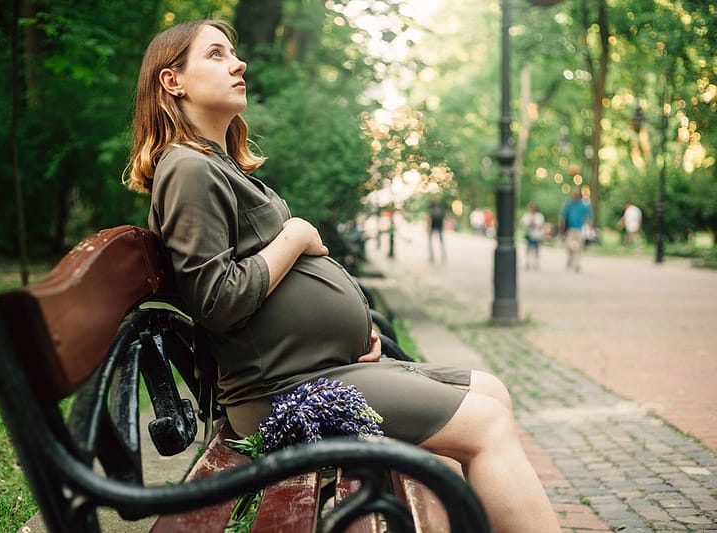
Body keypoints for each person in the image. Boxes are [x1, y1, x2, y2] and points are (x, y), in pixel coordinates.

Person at [125, 20, 560, 533]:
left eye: (234, 53)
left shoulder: (216, 164)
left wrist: (347, 330)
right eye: (216, 55)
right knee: (486, 423)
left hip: (317, 372)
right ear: (172, 82)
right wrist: (295, 236)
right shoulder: (189, 167)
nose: (238, 64)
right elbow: (216, 300)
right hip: (284, 395)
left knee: (491, 392)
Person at [558, 187, 593, 272]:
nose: (575, 195)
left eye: (576, 194)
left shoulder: (583, 205)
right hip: (570, 229)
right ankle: (569, 261)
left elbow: (589, 216)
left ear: (579, 195)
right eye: (574, 194)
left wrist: (590, 227)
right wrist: (561, 228)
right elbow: (563, 216)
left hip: (580, 229)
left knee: (579, 248)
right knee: (569, 246)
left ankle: (577, 264)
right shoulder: (569, 204)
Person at [520, 202, 545, 270]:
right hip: (529, 235)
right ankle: (528, 263)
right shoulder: (527, 215)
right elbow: (523, 223)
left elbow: (538, 224)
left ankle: (536, 263)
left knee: (536, 250)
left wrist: (532, 223)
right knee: (528, 249)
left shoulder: (539, 215)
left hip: (536, 235)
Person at [427, 195, 448, 262]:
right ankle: (434, 256)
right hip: (436, 225)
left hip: (436, 225)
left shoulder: (433, 206)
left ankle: (438, 256)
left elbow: (429, 215)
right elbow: (444, 215)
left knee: (439, 241)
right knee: (439, 241)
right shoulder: (439, 206)